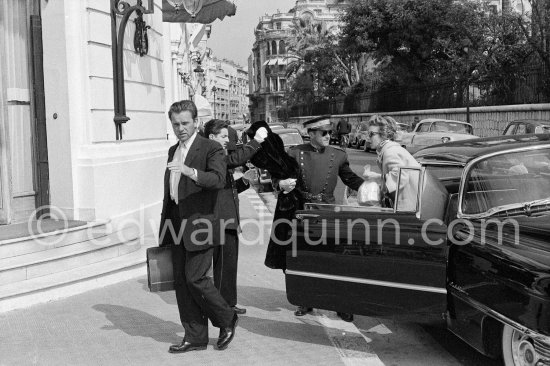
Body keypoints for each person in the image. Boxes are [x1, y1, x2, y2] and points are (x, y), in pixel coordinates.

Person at [159, 100, 237, 354]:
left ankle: (227, 318)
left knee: (196, 278)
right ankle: (195, 337)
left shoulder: (211, 148)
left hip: (202, 223)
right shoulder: (173, 150)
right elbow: (171, 192)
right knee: (182, 282)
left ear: (196, 123)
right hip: (176, 223)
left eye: (185, 123)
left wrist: (189, 171)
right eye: (175, 124)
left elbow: (217, 179)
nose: (180, 128)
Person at [268, 115, 364, 322]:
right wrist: (280, 183)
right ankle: (306, 300)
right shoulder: (294, 153)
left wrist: (369, 187)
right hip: (300, 210)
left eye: (330, 132)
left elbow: (350, 178)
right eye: (324, 133)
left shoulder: (338, 155)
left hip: (327, 212)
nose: (329, 136)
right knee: (303, 258)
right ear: (311, 133)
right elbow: (277, 175)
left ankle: (340, 303)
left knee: (334, 259)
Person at [204, 119, 267, 316]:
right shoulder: (211, 155)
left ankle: (228, 303)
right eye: (223, 136)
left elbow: (226, 190)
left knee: (228, 265)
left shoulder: (217, 155)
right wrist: (255, 142)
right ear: (212, 137)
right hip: (219, 219)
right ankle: (222, 306)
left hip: (228, 218)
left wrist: (246, 183)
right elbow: (234, 160)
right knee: (222, 265)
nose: (226, 141)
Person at [363, 115, 420, 210]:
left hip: (409, 207)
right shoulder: (389, 149)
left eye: (371, 134)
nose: (368, 138)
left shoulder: (390, 152)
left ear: (383, 135)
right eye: (368, 134)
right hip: (411, 203)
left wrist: (375, 176)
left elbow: (400, 176)